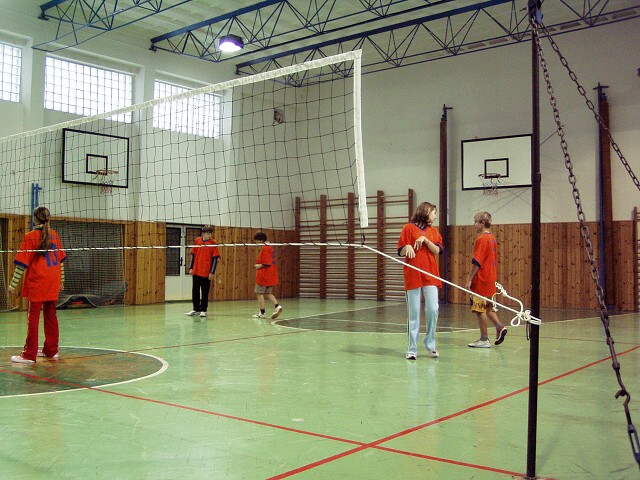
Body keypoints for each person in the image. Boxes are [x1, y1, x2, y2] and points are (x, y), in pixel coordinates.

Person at [7, 206, 66, 364]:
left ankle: (29, 354)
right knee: (51, 315)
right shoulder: (54, 234)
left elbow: (21, 264)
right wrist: (61, 280)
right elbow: (60, 260)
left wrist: (12, 285)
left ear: (34, 219)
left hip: (38, 281)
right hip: (53, 280)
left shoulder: (30, 236)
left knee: (33, 317)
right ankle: (51, 350)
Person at [397, 201, 443, 360]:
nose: (435, 216)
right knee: (414, 313)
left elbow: (438, 250)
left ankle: (431, 344)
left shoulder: (433, 231)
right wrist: (407, 248)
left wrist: (426, 240)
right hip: (413, 275)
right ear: (426, 212)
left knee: (433, 309)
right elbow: (400, 251)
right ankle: (412, 349)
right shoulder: (408, 228)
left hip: (430, 275)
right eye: (433, 213)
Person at [466, 211, 507, 348]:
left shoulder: (482, 239)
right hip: (490, 276)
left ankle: (484, 339)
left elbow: (477, 262)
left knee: (479, 309)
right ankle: (499, 327)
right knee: (487, 306)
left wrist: (469, 279)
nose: (474, 225)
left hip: (482, 278)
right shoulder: (492, 238)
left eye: (475, 222)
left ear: (482, 223)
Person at [185, 225, 220, 318]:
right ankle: (195, 309)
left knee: (205, 291)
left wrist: (212, 272)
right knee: (195, 290)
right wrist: (191, 267)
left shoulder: (213, 243)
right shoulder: (197, 240)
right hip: (196, 270)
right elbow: (193, 255)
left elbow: (215, 258)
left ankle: (203, 310)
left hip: (206, 272)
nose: (210, 235)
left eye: (211, 233)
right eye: (208, 233)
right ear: (203, 233)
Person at [252, 232, 283, 320]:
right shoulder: (270, 247)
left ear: (261, 240)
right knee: (267, 293)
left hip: (264, 275)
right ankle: (277, 306)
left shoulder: (265, 248)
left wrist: (259, 265)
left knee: (259, 293)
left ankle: (262, 313)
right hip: (270, 274)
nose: (256, 243)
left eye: (257, 241)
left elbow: (267, 262)